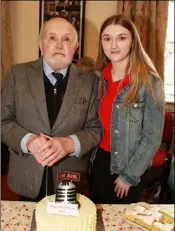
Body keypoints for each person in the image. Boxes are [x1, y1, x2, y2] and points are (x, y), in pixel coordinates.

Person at [1, 16, 102, 202]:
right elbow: (3, 121)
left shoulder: (91, 81)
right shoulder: (16, 75)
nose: (59, 45)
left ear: (75, 46)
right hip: (27, 177)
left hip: (70, 178)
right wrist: (28, 140)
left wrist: (69, 144)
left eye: (67, 39)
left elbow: (95, 128)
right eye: (52, 38)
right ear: (41, 43)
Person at [89, 14, 165, 204]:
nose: (113, 45)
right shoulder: (97, 78)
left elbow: (152, 137)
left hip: (129, 165)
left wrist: (129, 175)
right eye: (107, 39)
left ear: (133, 42)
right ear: (101, 43)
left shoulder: (149, 82)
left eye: (121, 38)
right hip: (98, 162)